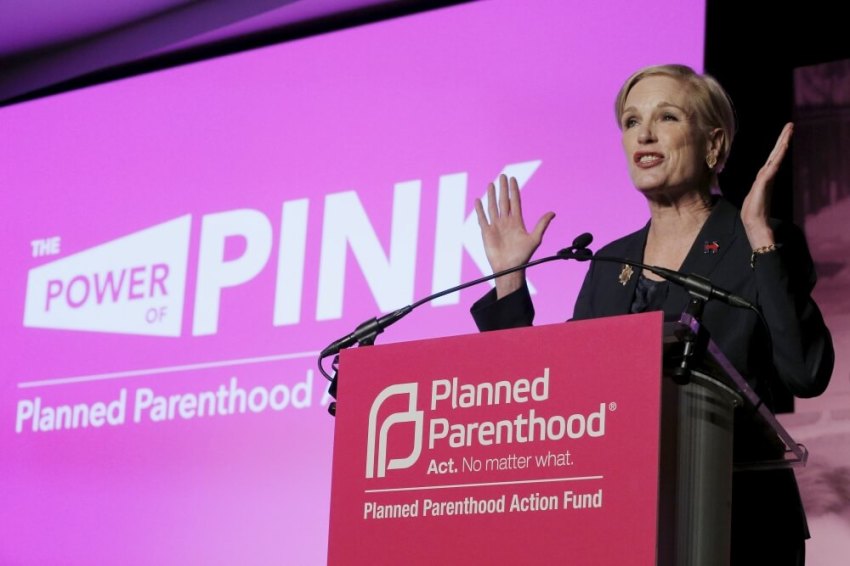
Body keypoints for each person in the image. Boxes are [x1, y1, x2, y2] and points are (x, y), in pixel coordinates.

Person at [470, 64, 834, 565]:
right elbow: (550, 399)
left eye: (666, 117)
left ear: (713, 143)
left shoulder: (761, 240)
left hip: (741, 521)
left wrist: (761, 240)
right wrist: (510, 278)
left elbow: (805, 372)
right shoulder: (609, 264)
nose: (643, 134)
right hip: (627, 520)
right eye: (630, 121)